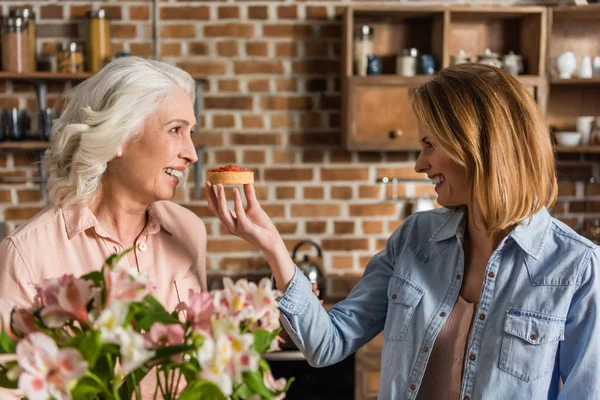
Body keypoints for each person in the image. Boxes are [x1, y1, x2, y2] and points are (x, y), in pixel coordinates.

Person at [206, 63, 600, 399]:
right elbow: (327, 343)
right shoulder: (414, 239)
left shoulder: (576, 267)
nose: (419, 164)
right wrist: (273, 246)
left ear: (477, 145)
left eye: (429, 144)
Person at [0, 56, 207, 312]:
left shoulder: (190, 232)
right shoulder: (27, 254)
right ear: (119, 135)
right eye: (176, 129)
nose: (192, 153)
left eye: (191, 132)